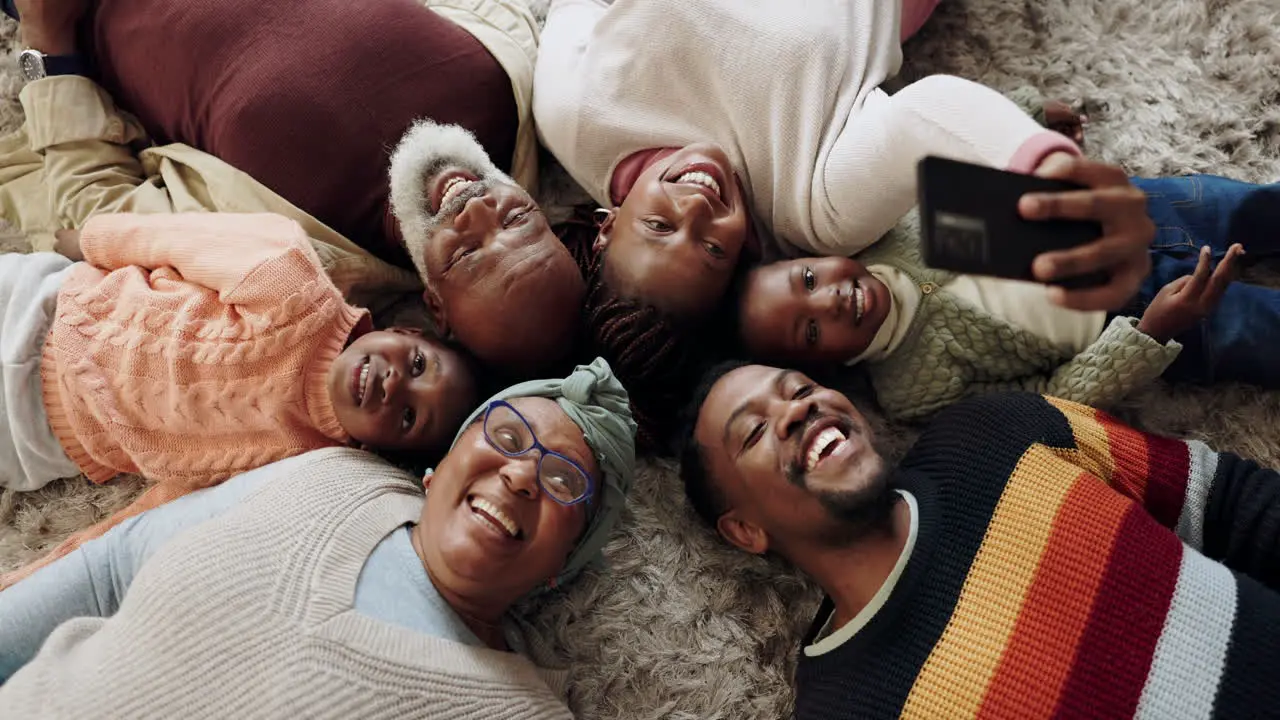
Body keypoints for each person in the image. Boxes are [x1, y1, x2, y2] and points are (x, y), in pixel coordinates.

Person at [0, 358, 638, 719]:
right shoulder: (330, 475)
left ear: (563, 565)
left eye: (564, 481)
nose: (523, 473)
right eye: (505, 435)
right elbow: (107, 571)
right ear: (439, 465)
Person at [2, 0, 589, 372]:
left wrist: (44, 37)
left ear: (434, 306)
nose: (474, 208)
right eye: (516, 220)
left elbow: (98, 211)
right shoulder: (515, 78)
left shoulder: (293, 254)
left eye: (466, 254)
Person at [678, 361, 1280, 719]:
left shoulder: (994, 433)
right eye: (755, 430)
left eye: (801, 388)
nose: (796, 411)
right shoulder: (844, 708)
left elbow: (1231, 504)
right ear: (745, 529)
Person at [0, 212, 479, 590]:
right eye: (417, 364)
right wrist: (89, 239)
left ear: (383, 449)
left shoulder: (300, 464)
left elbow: (160, 514)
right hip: (39, 308)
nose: (395, 386)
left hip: (36, 437)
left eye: (409, 417)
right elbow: (170, 238)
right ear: (407, 330)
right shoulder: (290, 277)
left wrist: (32, 580)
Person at [734, 169, 1280, 419]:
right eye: (809, 329)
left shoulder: (887, 225)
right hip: (1138, 315)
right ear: (824, 366)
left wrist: (1034, 118)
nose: (826, 299)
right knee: (1263, 334)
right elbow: (1055, 399)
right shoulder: (911, 389)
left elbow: (982, 165)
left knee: (1247, 208)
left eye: (807, 279)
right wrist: (1153, 332)